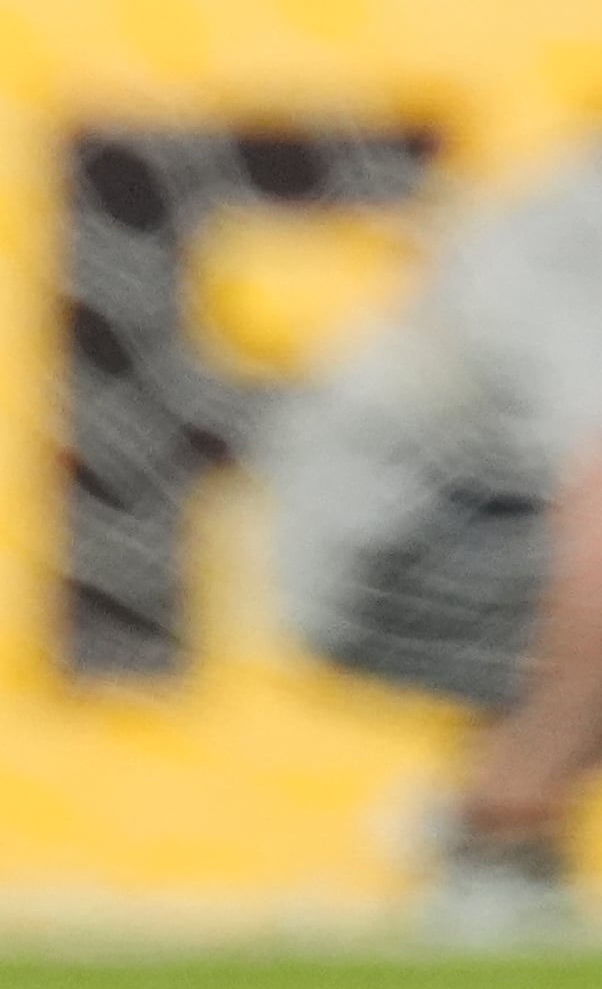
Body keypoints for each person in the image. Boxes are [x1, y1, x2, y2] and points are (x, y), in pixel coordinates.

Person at [258, 142, 602, 939]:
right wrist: (525, 778)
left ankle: (500, 850)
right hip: (395, 551)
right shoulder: (579, 240)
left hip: (496, 522)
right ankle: (494, 832)